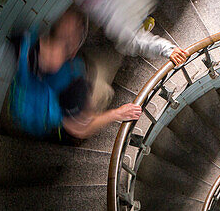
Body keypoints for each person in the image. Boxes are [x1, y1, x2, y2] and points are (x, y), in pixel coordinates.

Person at [8, 8, 141, 139]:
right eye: (50, 52)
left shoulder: (29, 45)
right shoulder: (70, 93)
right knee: (104, 90)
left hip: (68, 82)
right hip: (60, 110)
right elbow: (81, 128)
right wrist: (116, 114)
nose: (53, 51)